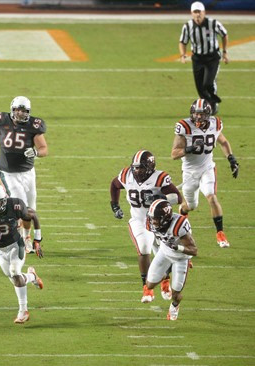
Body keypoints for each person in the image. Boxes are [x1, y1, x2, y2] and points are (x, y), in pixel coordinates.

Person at [110, 150, 183, 303]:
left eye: (141, 168)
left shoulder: (159, 178)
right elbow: (115, 184)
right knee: (144, 250)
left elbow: (178, 197)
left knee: (164, 255)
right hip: (139, 220)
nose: (137, 171)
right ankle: (147, 288)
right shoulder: (126, 175)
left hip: (159, 221)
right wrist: (115, 205)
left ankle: (164, 280)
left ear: (149, 167)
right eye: (135, 167)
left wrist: (159, 197)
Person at [0, 96, 48, 253]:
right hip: (8, 173)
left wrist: (36, 152)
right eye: (18, 110)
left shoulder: (34, 125)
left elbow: (44, 148)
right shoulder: (2, 121)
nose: (20, 114)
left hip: (28, 172)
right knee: (22, 207)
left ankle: (26, 237)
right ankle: (16, 237)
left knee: (30, 208)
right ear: (12, 109)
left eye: (24, 111)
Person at [171, 98, 239, 248]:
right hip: (189, 172)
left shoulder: (215, 124)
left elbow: (223, 142)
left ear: (208, 114)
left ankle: (220, 233)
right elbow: (174, 154)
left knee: (212, 197)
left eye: (201, 114)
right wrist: (189, 149)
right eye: (195, 113)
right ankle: (182, 213)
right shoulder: (185, 127)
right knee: (190, 205)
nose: (198, 117)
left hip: (207, 168)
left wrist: (232, 159)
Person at [0, 183, 43, 324]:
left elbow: (33, 215)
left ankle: (23, 311)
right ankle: (32, 276)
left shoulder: (15, 205)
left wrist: (37, 240)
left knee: (15, 272)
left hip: (15, 245)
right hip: (0, 250)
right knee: (15, 279)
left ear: (5, 198)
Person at [145, 199, 198, 321]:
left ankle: (175, 306)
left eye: (156, 218)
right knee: (150, 284)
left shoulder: (178, 225)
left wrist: (178, 247)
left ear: (165, 218)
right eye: (152, 218)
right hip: (164, 253)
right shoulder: (150, 223)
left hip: (181, 258)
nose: (153, 221)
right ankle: (165, 275)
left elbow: (194, 250)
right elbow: (155, 240)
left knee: (176, 294)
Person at [179, 1, 229, 114]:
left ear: (204, 12)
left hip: (212, 57)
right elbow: (182, 42)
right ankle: (208, 105)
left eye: (199, 12)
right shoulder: (188, 26)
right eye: (195, 12)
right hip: (197, 58)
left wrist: (225, 52)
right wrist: (182, 55)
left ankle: (213, 104)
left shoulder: (213, 23)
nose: (197, 15)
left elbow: (224, 34)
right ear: (191, 13)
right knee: (199, 86)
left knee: (208, 83)